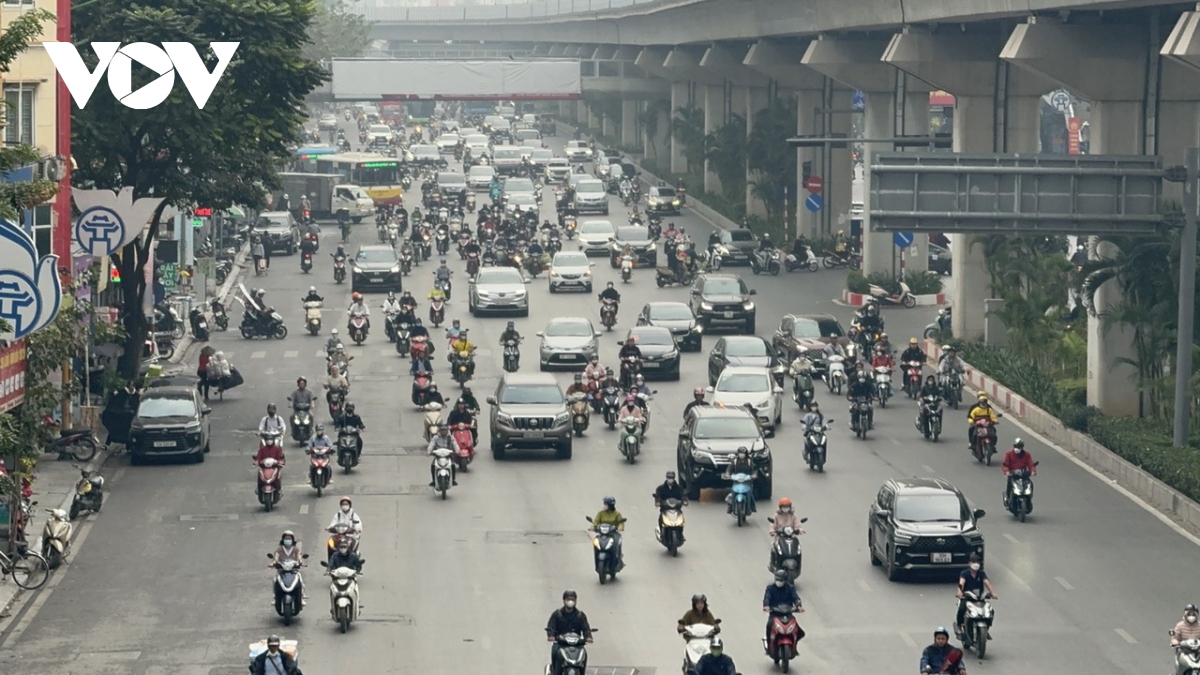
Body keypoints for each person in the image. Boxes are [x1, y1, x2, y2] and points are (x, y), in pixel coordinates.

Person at [545, 590, 594, 675]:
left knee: (584, 654)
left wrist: (588, 637)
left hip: (577, 644)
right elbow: (551, 626)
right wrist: (551, 635)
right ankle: (555, 671)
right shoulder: (557, 614)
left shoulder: (580, 615)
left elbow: (586, 628)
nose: (570, 602)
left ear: (575, 601)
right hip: (561, 643)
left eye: (572, 599)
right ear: (564, 600)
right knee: (554, 651)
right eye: (568, 599)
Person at [955, 553, 998, 635]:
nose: (976, 564)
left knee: (990, 611)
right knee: (961, 609)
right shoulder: (964, 573)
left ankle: (986, 629)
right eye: (973, 561)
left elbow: (987, 583)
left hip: (979, 598)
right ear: (969, 563)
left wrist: (993, 592)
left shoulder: (981, 573)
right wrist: (960, 592)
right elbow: (961, 583)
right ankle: (959, 625)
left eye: (977, 562)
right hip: (967, 597)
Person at [762, 570, 804, 643]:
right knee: (769, 626)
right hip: (775, 614)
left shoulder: (790, 588)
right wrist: (766, 606)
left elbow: (795, 598)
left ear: (785, 580)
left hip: (787, 613)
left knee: (800, 632)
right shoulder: (770, 588)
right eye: (777, 579)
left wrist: (799, 606)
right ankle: (769, 644)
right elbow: (767, 597)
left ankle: (794, 645)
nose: (779, 582)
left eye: (780, 580)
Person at [270, 530, 307, 602]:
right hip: (282, 570)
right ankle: (275, 596)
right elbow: (276, 557)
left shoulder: (296, 549)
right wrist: (273, 563)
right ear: (283, 539)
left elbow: (299, 557)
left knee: (300, 579)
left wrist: (301, 562)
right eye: (286, 539)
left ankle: (302, 596)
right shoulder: (279, 549)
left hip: (293, 570)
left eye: (289, 539)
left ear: (292, 540)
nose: (287, 540)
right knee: (275, 580)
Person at [1001, 438, 1037, 506]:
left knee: (1030, 484)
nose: (1016, 448)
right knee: (1009, 484)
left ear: (1022, 447)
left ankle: (1029, 499)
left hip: (1023, 475)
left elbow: (1031, 464)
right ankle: (1008, 499)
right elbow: (1005, 465)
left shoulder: (1027, 455)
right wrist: (1007, 471)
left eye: (1018, 447)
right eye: (1015, 446)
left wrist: (1033, 471)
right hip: (1013, 475)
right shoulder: (1009, 454)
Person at [592, 496, 625, 570]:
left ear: (610, 505)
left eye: (605, 504)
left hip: (613, 534)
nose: (604, 505)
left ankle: (618, 557)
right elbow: (596, 522)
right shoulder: (600, 513)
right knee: (596, 543)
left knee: (617, 542)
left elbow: (621, 523)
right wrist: (593, 527)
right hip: (603, 534)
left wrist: (620, 527)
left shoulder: (617, 514)